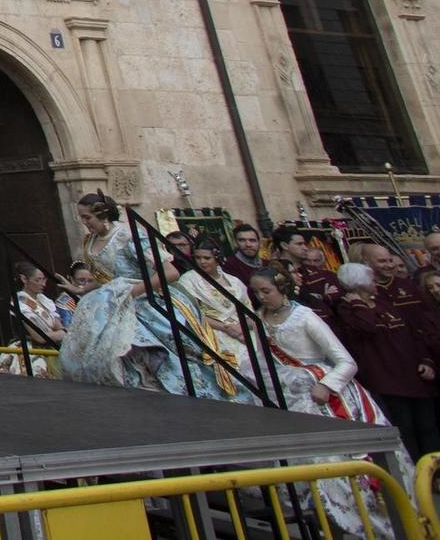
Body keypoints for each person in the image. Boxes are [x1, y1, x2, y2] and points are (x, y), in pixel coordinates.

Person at [251, 266, 398, 534]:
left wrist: (326, 384)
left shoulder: (304, 317)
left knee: (335, 465)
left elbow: (346, 361)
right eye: (256, 292)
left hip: (325, 400)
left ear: (282, 289)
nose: (261, 296)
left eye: (266, 291)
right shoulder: (258, 319)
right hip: (288, 401)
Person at [58, 192, 239, 400]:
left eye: (87, 217)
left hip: (145, 302)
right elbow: (109, 277)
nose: (84, 223)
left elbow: (170, 272)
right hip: (111, 304)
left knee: (149, 347)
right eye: (81, 218)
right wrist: (83, 290)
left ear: (103, 214)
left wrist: (133, 290)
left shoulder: (128, 236)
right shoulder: (90, 241)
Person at [330, 261, 440, 462]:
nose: (376, 283)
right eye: (371, 280)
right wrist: (358, 304)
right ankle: (417, 475)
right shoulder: (347, 308)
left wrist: (426, 360)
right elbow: (368, 327)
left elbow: (410, 332)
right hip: (387, 381)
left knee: (428, 425)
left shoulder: (382, 303)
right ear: (360, 283)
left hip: (413, 375)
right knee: (405, 428)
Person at [177, 236, 252, 374]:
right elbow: (189, 312)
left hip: (242, 331)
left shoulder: (234, 282)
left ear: (217, 258)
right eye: (198, 258)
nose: (202, 262)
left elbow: (250, 312)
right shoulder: (188, 280)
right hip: (211, 331)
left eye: (207, 258)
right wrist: (225, 327)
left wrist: (240, 328)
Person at [0, 262, 64, 376]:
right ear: (24, 279)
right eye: (38, 280)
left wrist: (59, 332)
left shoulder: (44, 300)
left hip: (51, 347)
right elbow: (39, 336)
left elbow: (60, 327)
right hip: (28, 348)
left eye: (44, 280)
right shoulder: (19, 302)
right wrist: (59, 333)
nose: (43, 284)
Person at [274, 226, 341, 312]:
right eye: (299, 244)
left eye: (304, 244)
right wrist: (323, 297)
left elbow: (339, 296)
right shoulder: (274, 274)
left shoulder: (321, 274)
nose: (305, 248)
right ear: (284, 245)